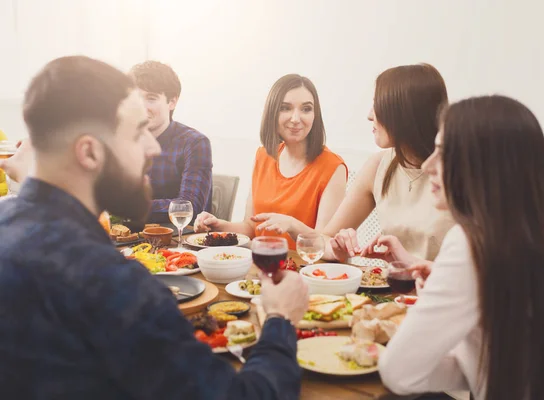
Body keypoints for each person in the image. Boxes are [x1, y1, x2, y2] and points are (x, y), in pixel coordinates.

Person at [0, 55, 309, 399]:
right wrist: (280, 318)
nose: (152, 146)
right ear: (88, 153)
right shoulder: (113, 284)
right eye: (137, 134)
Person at [376, 95, 544, 400]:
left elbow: (398, 372)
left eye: (442, 153)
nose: (429, 165)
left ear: (481, 164)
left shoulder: (471, 243)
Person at [194, 74, 347, 250]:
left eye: (306, 109)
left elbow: (324, 244)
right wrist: (219, 226)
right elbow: (251, 229)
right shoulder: (263, 156)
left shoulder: (332, 167)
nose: (296, 118)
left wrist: (292, 225)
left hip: (303, 271)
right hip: (262, 265)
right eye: (285, 108)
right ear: (272, 113)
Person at [323, 64, 455, 262]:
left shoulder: (459, 173)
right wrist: (337, 248)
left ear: (404, 114)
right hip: (391, 290)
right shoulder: (378, 166)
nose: (369, 115)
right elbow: (325, 238)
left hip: (439, 290)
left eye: (378, 105)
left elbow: (479, 270)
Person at [130, 61, 212, 223]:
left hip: (179, 241)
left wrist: (129, 208)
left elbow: (190, 207)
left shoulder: (194, 143)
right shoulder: (124, 141)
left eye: (151, 98)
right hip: (127, 239)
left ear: (172, 101)